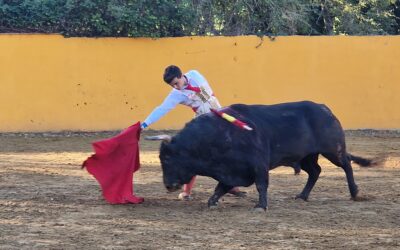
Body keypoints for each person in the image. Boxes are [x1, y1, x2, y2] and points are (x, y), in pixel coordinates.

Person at [141, 65, 246, 201]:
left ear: (181, 75)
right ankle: (187, 192)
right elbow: (162, 109)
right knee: (194, 154)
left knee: (227, 151)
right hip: (203, 123)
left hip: (220, 117)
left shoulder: (195, 74)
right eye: (173, 86)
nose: (176, 88)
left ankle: (230, 185)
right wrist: (144, 124)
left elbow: (207, 96)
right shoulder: (176, 94)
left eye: (176, 83)